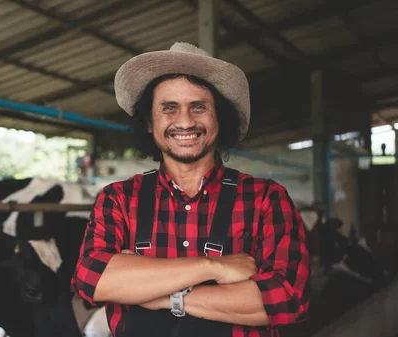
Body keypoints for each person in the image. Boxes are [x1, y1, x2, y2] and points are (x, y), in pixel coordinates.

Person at [71, 42, 310, 337]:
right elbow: (92, 280)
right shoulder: (118, 198)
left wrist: (159, 295)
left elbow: (286, 300)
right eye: (169, 108)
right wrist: (213, 267)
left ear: (219, 118)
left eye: (199, 107)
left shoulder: (266, 198)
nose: (184, 122)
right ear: (149, 122)